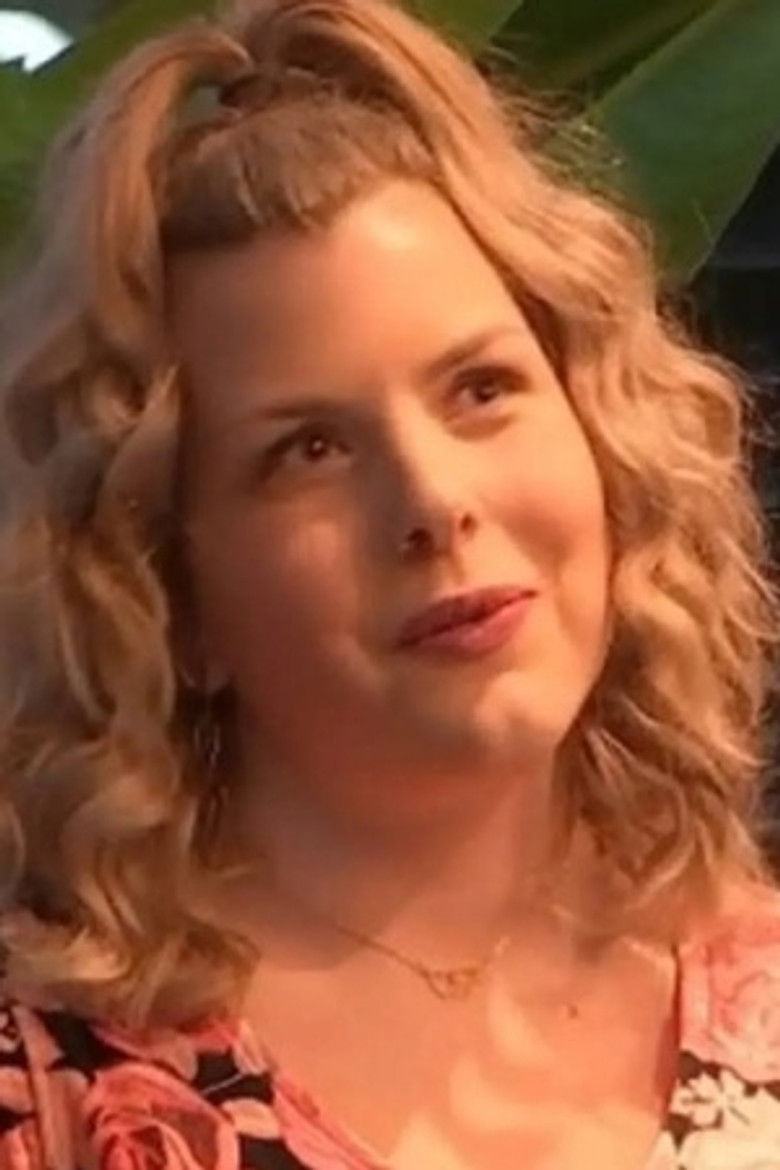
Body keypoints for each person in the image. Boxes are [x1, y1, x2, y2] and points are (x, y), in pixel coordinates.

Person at [0, 0, 778, 1166]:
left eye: (481, 390)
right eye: (308, 450)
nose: (431, 498)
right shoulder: (47, 1092)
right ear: (164, 590)